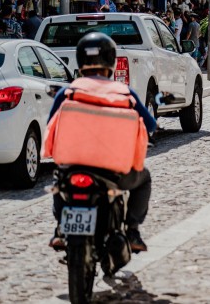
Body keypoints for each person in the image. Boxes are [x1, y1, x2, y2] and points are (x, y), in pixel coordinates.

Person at [47, 33, 155, 252]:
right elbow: (150, 125)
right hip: (114, 171)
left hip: (72, 166)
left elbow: (51, 123)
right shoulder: (125, 93)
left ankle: (60, 228)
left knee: (59, 181)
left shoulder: (67, 92)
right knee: (144, 179)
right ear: (111, 61)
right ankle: (132, 230)